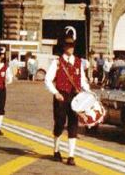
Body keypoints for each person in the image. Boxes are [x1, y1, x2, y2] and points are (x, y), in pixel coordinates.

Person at [45, 26, 91, 166]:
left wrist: (88, 92)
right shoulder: (57, 62)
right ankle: (56, 149)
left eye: (72, 45)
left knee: (73, 125)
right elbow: (47, 79)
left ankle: (71, 156)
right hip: (61, 97)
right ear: (64, 46)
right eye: (68, 45)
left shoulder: (78, 62)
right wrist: (56, 93)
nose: (70, 48)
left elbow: (82, 80)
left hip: (74, 98)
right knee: (59, 124)